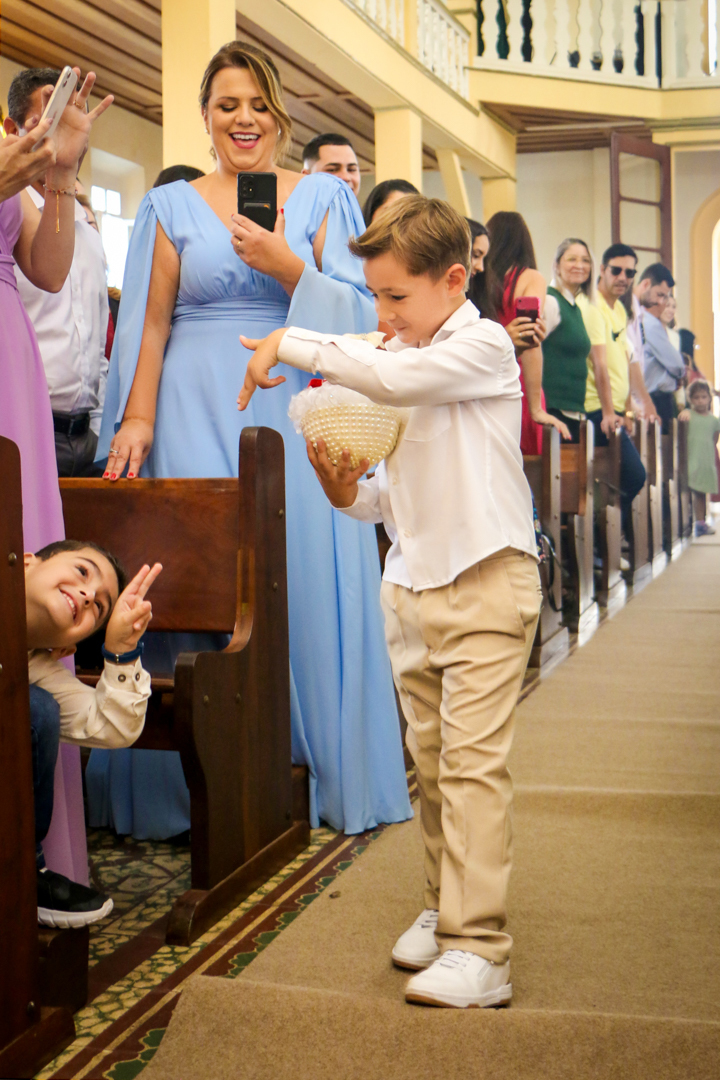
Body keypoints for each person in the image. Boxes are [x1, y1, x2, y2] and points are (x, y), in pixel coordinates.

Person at [92, 40, 411, 840]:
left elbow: (363, 313)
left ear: (281, 116)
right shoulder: (169, 209)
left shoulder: (326, 202)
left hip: (292, 402)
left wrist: (290, 271)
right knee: (197, 577)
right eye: (227, 104)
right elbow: (151, 322)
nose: (244, 118)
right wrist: (136, 418)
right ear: (205, 118)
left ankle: (309, 768)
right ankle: (187, 786)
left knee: (294, 577)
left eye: (258, 104)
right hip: (190, 409)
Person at [238, 195, 542, 1010]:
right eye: (374, 296)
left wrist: (290, 340)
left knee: (474, 769)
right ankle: (448, 911)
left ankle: (483, 948)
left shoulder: (478, 345)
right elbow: (392, 495)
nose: (383, 315)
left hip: (485, 581)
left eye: (395, 297)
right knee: (435, 769)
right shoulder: (403, 346)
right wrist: (349, 491)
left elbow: (391, 375)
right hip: (411, 585)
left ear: (453, 280)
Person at [0, 67, 112, 885]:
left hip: (11, 360)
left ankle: (37, 854)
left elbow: (43, 269)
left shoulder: (8, 146)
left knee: (26, 562)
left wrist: (61, 177)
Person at [26, 541, 161, 926]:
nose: (87, 595)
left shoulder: (36, 670)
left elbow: (112, 725)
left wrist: (121, 649)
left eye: (99, 608)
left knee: (38, 709)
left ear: (64, 645)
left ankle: (25, 874)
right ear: (27, 563)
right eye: (83, 572)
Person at [6, 68, 111, 478]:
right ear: (11, 129)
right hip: (23, 409)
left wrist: (63, 170)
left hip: (83, 432)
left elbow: (53, 277)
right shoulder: (12, 197)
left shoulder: (78, 226)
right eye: (41, 123)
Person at [485, 211, 569, 452]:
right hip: (516, 381)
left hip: (483, 379)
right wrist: (535, 408)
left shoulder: (480, 278)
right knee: (525, 473)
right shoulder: (530, 278)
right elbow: (530, 338)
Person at [582, 244, 650, 539]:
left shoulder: (620, 308)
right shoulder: (591, 304)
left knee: (622, 478)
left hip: (613, 410)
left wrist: (627, 410)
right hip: (595, 407)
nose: (623, 277)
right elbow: (599, 366)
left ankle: (604, 541)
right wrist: (610, 411)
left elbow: (622, 361)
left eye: (630, 272)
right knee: (634, 476)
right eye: (617, 270)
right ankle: (600, 540)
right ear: (603, 270)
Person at [542, 238, 616, 444]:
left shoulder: (575, 306)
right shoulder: (551, 301)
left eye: (585, 260)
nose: (579, 265)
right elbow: (532, 349)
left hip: (573, 410)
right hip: (553, 409)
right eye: (571, 259)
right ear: (556, 265)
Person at [633, 264, 685, 433]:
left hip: (650, 397)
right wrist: (678, 374)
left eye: (667, 298)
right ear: (646, 285)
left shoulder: (645, 320)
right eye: (660, 295)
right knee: (659, 453)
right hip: (654, 398)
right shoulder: (650, 323)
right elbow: (678, 366)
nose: (662, 302)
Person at [679, 380, 720, 537]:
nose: (700, 400)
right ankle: (687, 521)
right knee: (689, 491)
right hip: (690, 459)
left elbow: (714, 439)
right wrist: (686, 411)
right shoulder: (688, 415)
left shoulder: (714, 420)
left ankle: (701, 523)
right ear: (690, 399)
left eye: (703, 397)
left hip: (706, 460)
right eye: (696, 397)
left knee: (702, 492)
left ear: (709, 398)